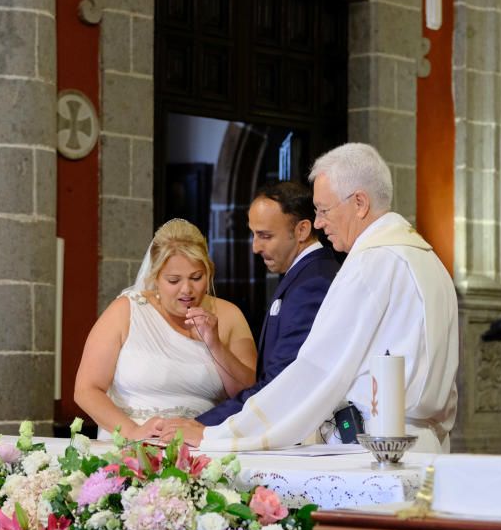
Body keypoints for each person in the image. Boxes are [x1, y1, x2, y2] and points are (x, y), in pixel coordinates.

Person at [163, 143, 459, 453]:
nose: (318, 223)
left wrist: (219, 435)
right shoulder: (428, 261)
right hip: (422, 443)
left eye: (323, 210)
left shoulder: (371, 264)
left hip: (374, 447)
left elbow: (317, 370)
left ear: (359, 203)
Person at [164, 182, 340, 443]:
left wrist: (205, 428)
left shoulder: (311, 283)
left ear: (302, 230)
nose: (255, 247)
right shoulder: (305, 275)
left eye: (266, 236)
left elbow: (281, 382)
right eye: (253, 234)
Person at [74, 218, 257, 440]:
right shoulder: (126, 310)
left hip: (201, 445)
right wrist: (133, 431)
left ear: (209, 272)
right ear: (156, 277)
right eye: (173, 280)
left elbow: (249, 395)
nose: (186, 289)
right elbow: (86, 390)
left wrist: (215, 344)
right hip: (130, 446)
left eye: (196, 278)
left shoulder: (230, 315)